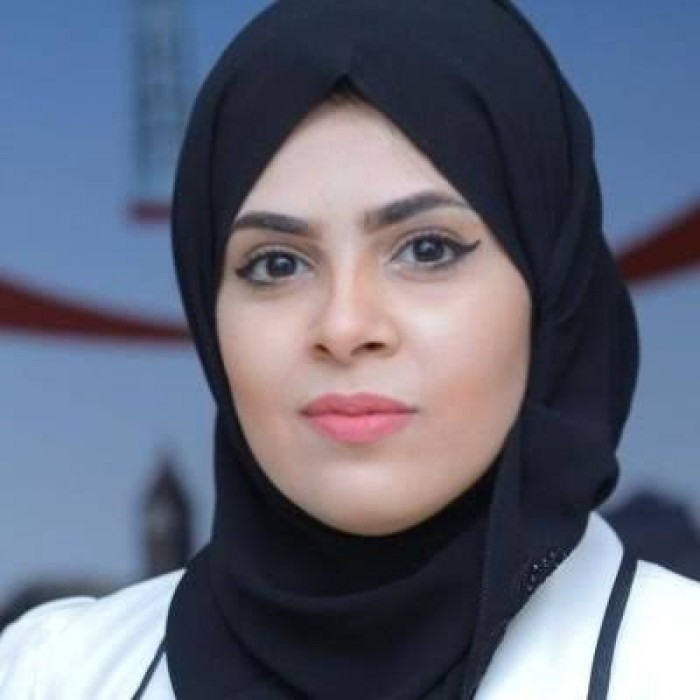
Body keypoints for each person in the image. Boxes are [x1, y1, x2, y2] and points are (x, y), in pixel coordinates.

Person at [1, 1, 699, 697]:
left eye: (428, 250)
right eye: (276, 263)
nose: (343, 326)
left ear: (550, 290)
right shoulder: (57, 677)